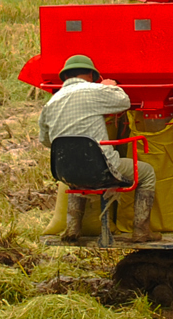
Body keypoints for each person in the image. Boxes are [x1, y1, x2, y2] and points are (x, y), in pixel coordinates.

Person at [38, 55, 160, 244]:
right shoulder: (92, 90)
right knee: (147, 173)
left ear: (65, 77)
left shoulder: (50, 103)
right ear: (91, 74)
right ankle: (142, 231)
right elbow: (124, 102)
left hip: (65, 172)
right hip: (101, 169)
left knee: (77, 177)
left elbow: (46, 141)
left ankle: (72, 229)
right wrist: (109, 86)